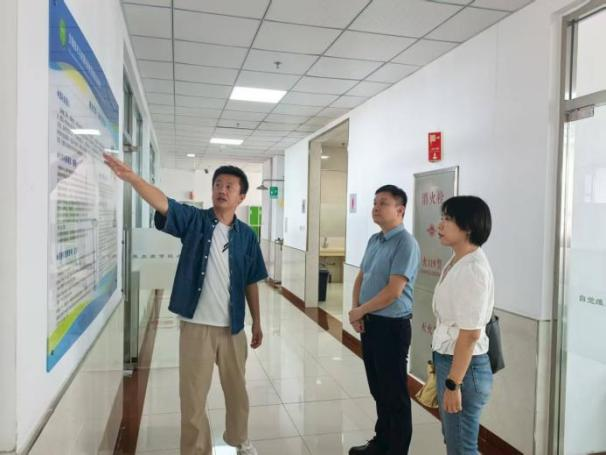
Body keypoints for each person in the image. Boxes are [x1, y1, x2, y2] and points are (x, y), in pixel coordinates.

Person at [103, 153, 267, 455]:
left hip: (233, 329)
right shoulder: (195, 222)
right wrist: (134, 179)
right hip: (196, 328)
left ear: (241, 197)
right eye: (217, 184)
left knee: (237, 392)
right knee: (192, 399)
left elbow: (251, 280)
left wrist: (256, 321)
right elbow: (163, 203)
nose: (221, 190)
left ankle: (240, 439)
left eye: (229, 186)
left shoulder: (247, 236)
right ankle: (195, 450)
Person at [348, 185, 421, 455]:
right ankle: (381, 443)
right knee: (378, 389)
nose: (376, 208)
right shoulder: (374, 240)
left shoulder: (406, 244)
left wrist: (361, 311)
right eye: (375, 202)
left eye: (384, 203)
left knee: (394, 394)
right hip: (370, 323)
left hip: (392, 327)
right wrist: (356, 309)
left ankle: (396, 449)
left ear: (400, 210)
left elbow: (394, 291)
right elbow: (362, 276)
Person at [432, 196, 494, 455]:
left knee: (462, 448)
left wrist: (453, 384)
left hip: (464, 371)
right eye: (442, 217)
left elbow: (470, 334)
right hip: (452, 361)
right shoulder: (457, 260)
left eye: (447, 219)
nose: (440, 224)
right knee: (455, 441)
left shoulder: (473, 269)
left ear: (468, 227)